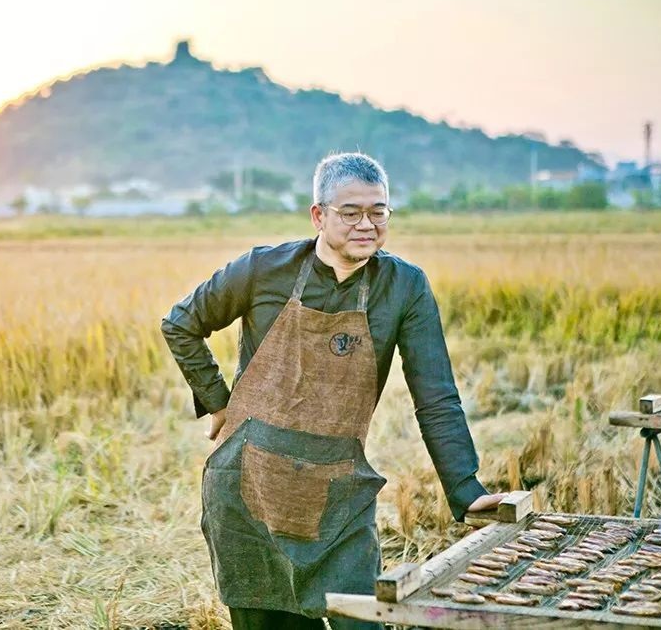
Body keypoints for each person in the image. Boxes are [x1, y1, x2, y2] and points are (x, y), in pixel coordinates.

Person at [160, 152, 504, 629]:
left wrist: (465, 489)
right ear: (318, 215)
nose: (367, 224)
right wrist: (217, 401)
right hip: (249, 490)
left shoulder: (404, 286)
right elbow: (181, 323)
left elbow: (436, 396)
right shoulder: (263, 268)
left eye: (378, 211)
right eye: (351, 212)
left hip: (339, 497)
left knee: (359, 621)